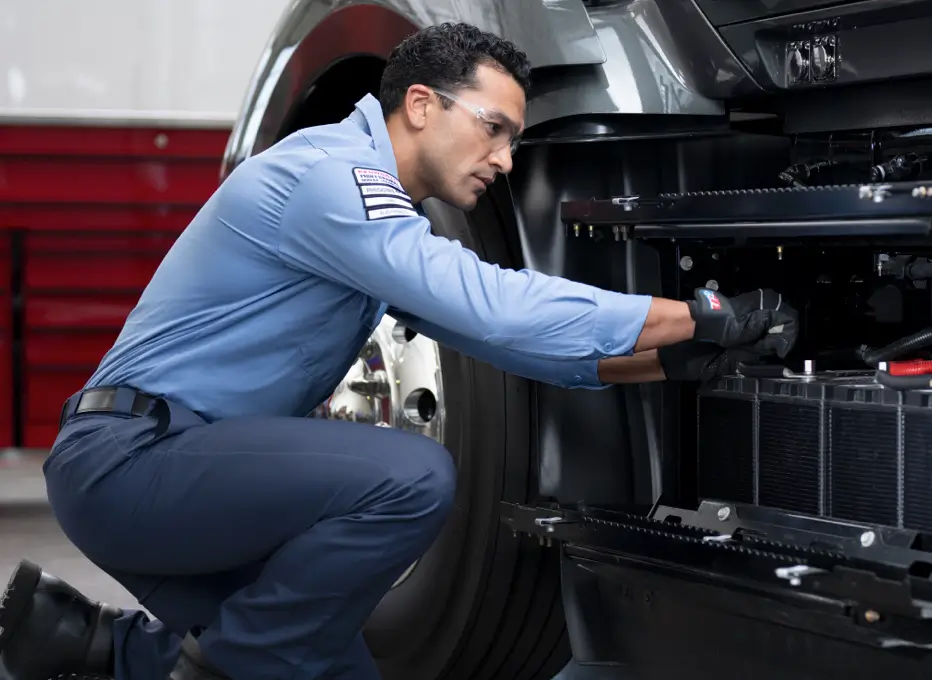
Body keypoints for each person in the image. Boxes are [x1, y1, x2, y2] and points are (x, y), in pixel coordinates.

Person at [0, 22, 798, 680]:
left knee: (334, 671)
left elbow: (509, 343)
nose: (506, 160)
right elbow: (493, 301)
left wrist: (671, 358)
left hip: (181, 474)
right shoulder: (335, 179)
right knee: (410, 476)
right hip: (136, 463)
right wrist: (696, 315)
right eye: (494, 129)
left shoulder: (369, 216)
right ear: (420, 105)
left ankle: (89, 643)